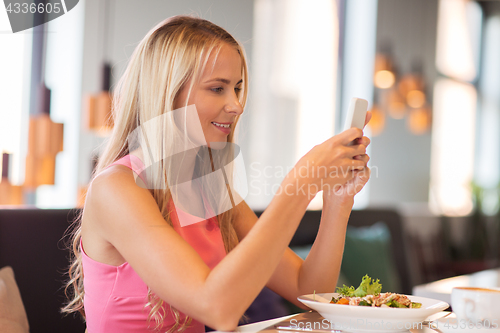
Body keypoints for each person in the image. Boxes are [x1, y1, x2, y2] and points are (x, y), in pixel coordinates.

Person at [62, 15, 371, 333]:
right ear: (168, 92)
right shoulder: (117, 188)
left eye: (236, 88)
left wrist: (337, 201)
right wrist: (302, 182)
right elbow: (217, 309)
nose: (236, 105)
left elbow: (309, 292)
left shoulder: (211, 190)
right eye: (217, 89)